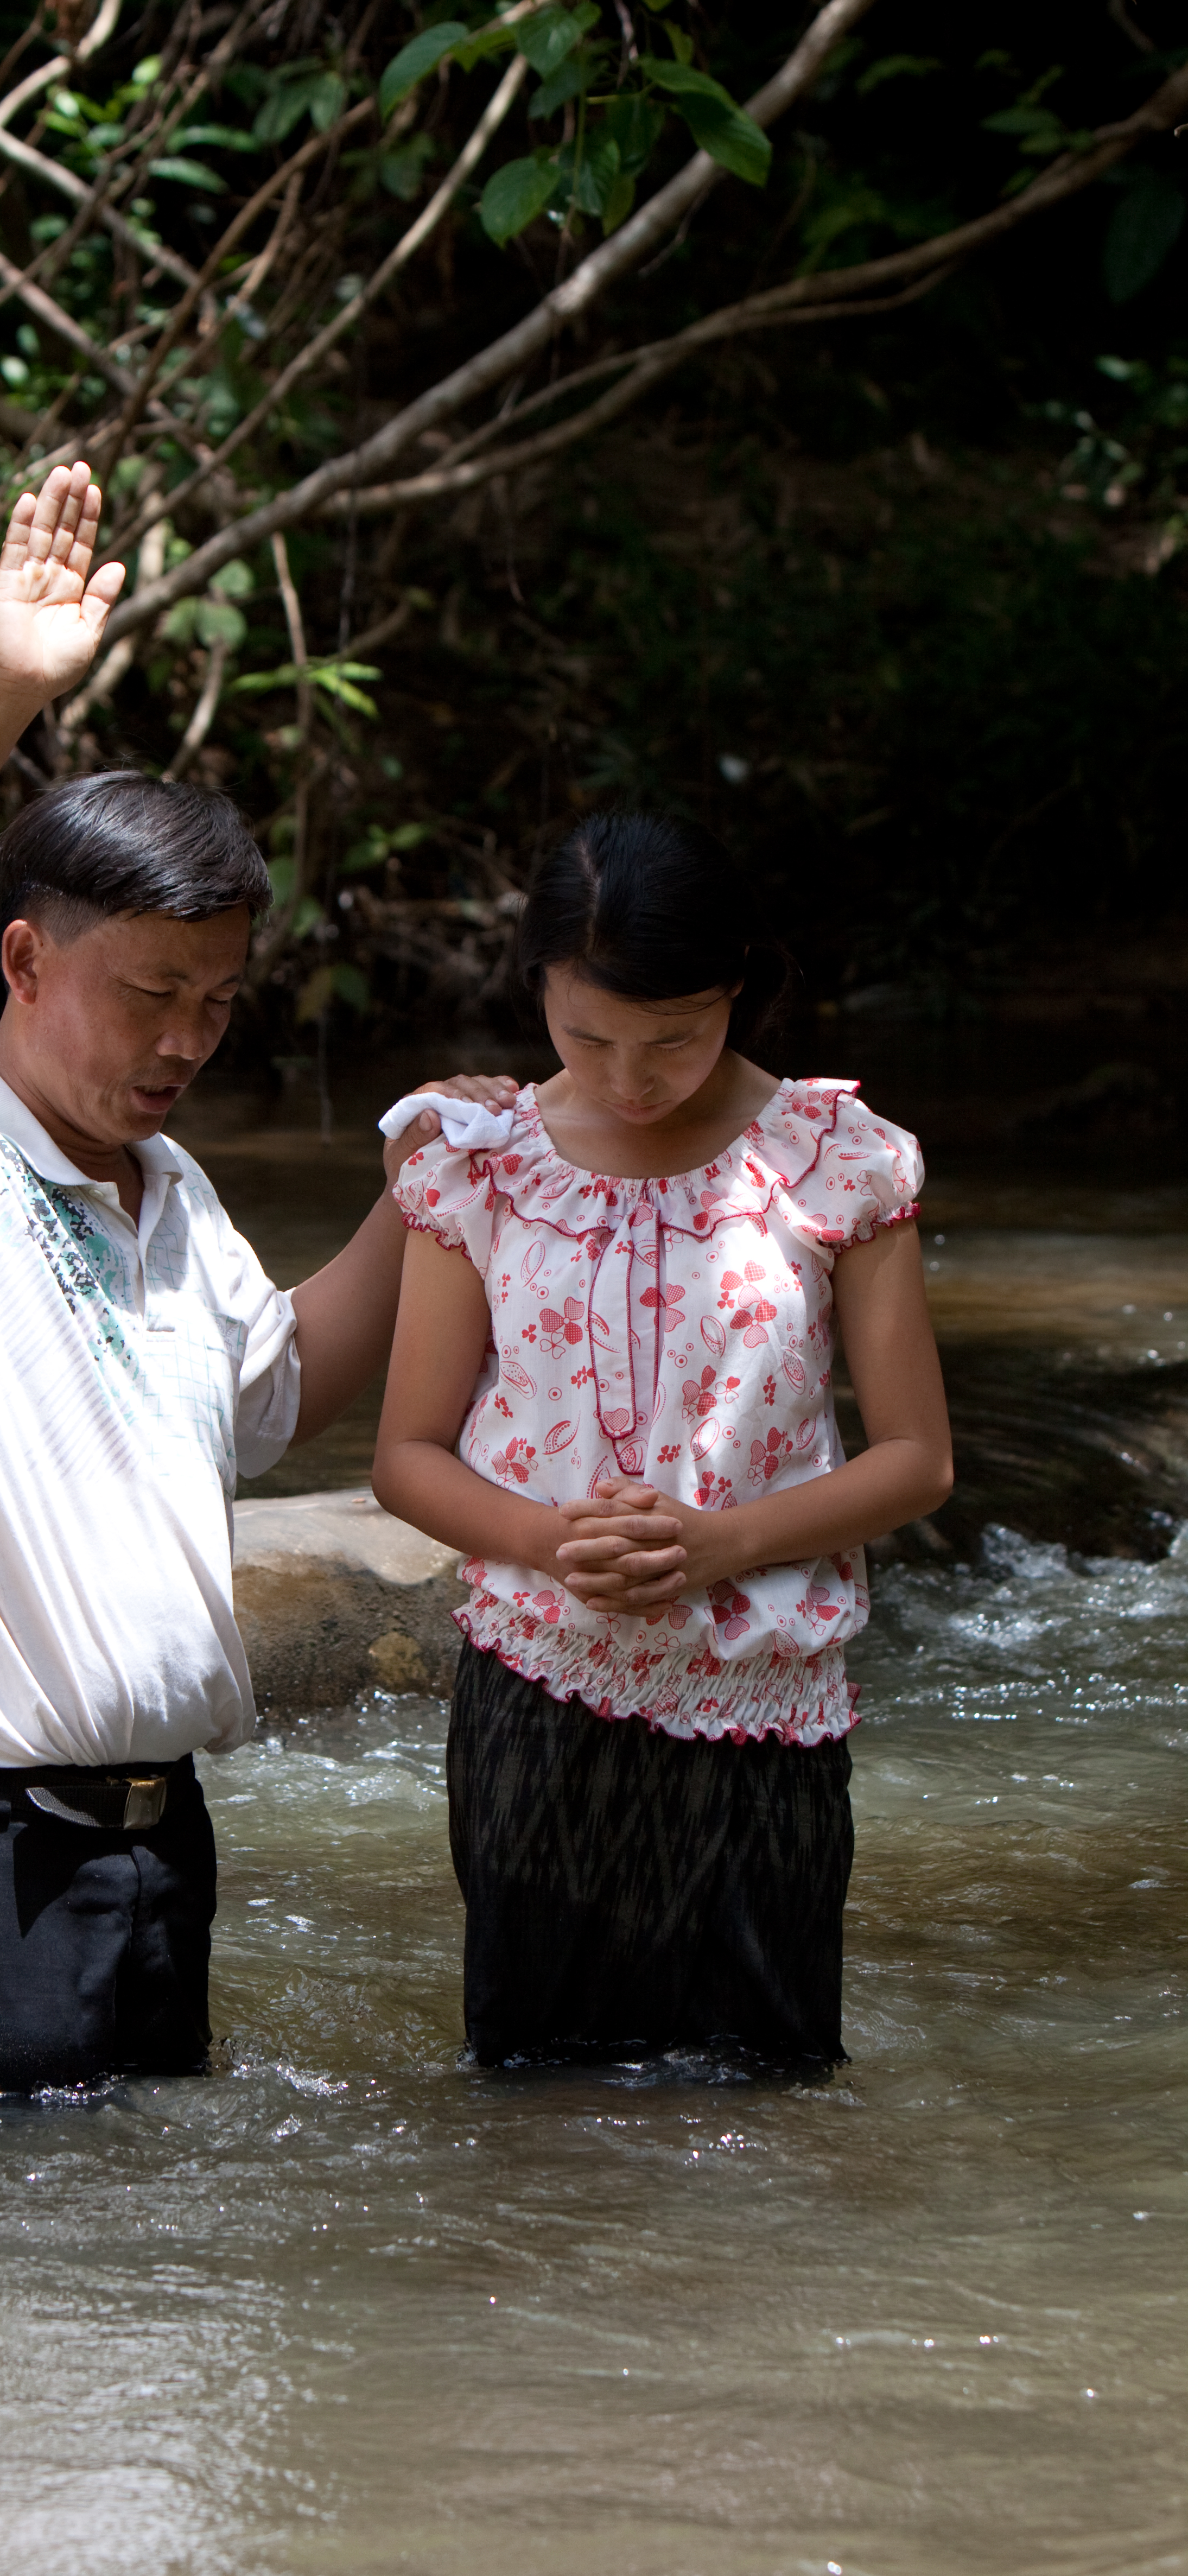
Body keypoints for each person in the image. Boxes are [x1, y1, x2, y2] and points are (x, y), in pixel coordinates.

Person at [0, 460, 513, 2092]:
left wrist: (413, 1200)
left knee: (136, 2293)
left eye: (223, 997)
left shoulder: (169, 1187)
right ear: (26, 961)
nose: (190, 1037)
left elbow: (275, 1400)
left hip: (151, 1837)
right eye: (152, 993)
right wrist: (1, 687)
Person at [371, 810, 952, 2071]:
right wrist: (548, 1540)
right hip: (538, 1688)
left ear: (737, 987)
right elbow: (406, 1455)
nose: (629, 1079)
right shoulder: (483, 1168)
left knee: (768, 2096)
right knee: (535, 2097)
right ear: (536, 990)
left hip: (761, 1702)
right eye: (587, 1037)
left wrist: (721, 1543)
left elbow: (917, 1459)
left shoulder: (835, 1160)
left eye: (674, 1041)